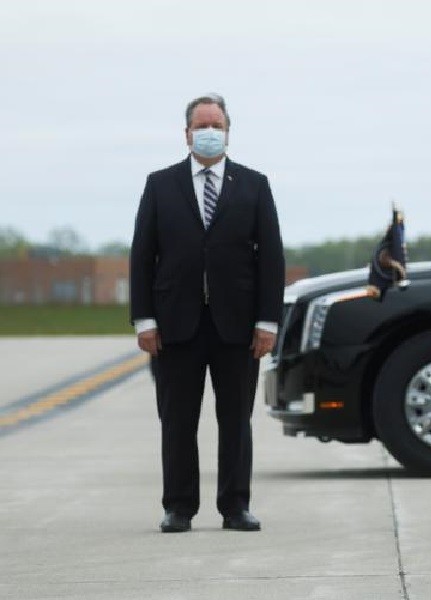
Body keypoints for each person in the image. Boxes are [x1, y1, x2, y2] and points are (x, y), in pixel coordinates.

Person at [130, 93, 285, 533]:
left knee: (235, 420)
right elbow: (142, 256)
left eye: (216, 124)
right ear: (186, 134)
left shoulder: (254, 185)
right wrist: (144, 319)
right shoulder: (160, 185)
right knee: (178, 420)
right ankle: (179, 506)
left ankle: (235, 506)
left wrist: (267, 321)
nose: (209, 132)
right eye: (201, 125)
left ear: (228, 131)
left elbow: (271, 258)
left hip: (237, 327)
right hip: (175, 325)